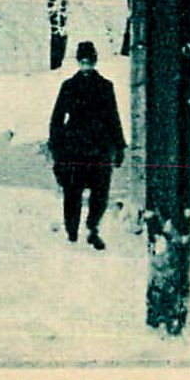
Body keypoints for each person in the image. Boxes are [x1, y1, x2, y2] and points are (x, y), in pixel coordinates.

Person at [48, 40, 126, 249]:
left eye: (89, 61)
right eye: (82, 62)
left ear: (95, 61)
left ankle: (93, 229)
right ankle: (71, 232)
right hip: (74, 149)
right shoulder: (69, 87)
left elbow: (113, 117)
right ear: (77, 61)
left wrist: (120, 146)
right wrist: (56, 147)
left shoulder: (105, 87)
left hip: (100, 148)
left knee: (100, 193)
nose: (86, 66)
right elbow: (57, 118)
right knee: (72, 193)